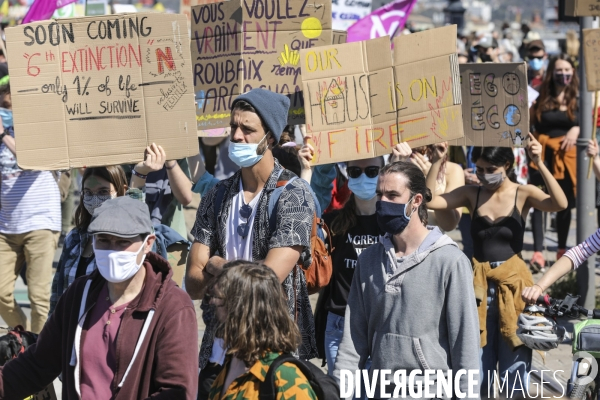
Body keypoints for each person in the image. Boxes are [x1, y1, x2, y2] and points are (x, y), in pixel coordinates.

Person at [186, 89, 317, 399]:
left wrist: (217, 263)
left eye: (248, 129)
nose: (237, 135)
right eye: (233, 127)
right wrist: (240, 271)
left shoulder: (293, 194)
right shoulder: (217, 195)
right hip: (217, 357)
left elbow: (266, 281)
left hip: (269, 362)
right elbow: (192, 283)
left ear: (269, 137)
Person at [0, 196, 198, 399]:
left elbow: (176, 390)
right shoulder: (78, 294)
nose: (112, 251)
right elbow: (37, 365)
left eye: (122, 241)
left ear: (147, 243)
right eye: (103, 240)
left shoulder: (173, 308)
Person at [426, 137, 568, 398]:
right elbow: (430, 201)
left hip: (514, 292)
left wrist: (539, 162)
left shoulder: (522, 192)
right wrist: (437, 161)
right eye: (479, 169)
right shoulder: (472, 193)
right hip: (477, 292)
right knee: (476, 371)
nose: (483, 175)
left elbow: (560, 203)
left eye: (490, 170)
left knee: (515, 372)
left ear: (507, 165)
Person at [333, 161, 481, 399]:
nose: (383, 203)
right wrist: (337, 391)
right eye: (380, 194)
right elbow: (353, 342)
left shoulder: (450, 261)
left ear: (417, 201)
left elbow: (465, 347)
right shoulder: (369, 260)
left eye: (393, 195)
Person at [313, 154, 385, 375]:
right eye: (355, 172)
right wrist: (309, 170)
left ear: (384, 173)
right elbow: (303, 219)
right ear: (347, 175)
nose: (363, 177)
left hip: (381, 323)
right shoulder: (334, 222)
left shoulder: (394, 222)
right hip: (339, 323)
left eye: (372, 171)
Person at [0, 76, 61, 334]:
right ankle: (22, 334)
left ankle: (37, 356)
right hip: (6, 227)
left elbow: (31, 160)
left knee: (39, 297)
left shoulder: (44, 129)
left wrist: (3, 135)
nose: (6, 98)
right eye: (3, 92)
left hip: (40, 223)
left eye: (9, 93)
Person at [207, 261, 317, 400]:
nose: (211, 302)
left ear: (241, 309)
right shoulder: (232, 362)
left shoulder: (285, 379)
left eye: (217, 297)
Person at [49, 165, 142, 315]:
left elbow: (136, 215)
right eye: (88, 193)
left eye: (103, 192)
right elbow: (58, 292)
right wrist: (52, 330)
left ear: (122, 191)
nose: (95, 199)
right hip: (70, 328)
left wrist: (140, 175)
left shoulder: (127, 240)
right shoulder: (74, 238)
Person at [529, 54, 579, 271]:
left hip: (567, 158)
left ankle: (561, 248)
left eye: (567, 70)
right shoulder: (539, 96)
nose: (563, 74)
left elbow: (587, 122)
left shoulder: (578, 97)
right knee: (539, 201)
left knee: (565, 203)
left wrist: (576, 129)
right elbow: (528, 123)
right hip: (541, 155)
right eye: (559, 70)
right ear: (552, 73)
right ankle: (538, 252)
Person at [396, 141, 465, 231]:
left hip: (433, 241)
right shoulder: (395, 161)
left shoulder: (452, 170)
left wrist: (432, 179)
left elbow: (448, 225)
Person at [130, 143, 194, 239]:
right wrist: (139, 172)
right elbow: (126, 204)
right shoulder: (124, 156)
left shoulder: (178, 152)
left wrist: (170, 159)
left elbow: (186, 197)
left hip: (171, 240)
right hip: (132, 235)